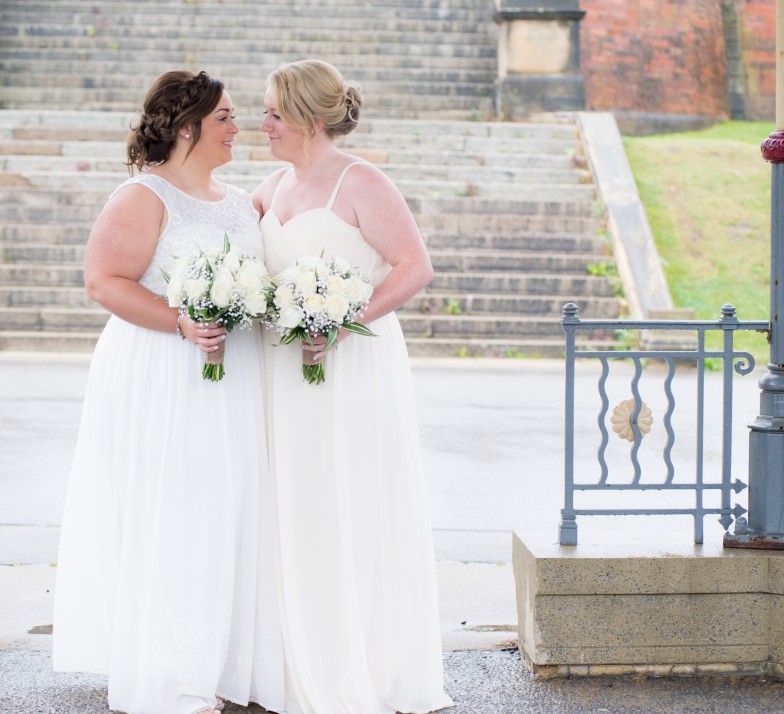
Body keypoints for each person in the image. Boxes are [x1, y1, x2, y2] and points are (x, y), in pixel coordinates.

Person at [52, 70, 284, 714]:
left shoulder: (240, 202)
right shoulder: (142, 195)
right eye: (226, 118)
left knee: (223, 511)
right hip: (161, 368)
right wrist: (180, 321)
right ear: (186, 128)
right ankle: (168, 669)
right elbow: (103, 281)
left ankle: (217, 661)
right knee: (171, 510)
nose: (241, 128)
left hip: (232, 373)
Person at [252, 59, 454, 713]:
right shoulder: (271, 186)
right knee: (294, 503)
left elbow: (413, 266)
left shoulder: (360, 181)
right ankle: (289, 658)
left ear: (310, 119)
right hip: (284, 367)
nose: (264, 125)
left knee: (349, 498)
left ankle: (358, 667)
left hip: (350, 364)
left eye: (274, 113)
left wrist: (346, 320)